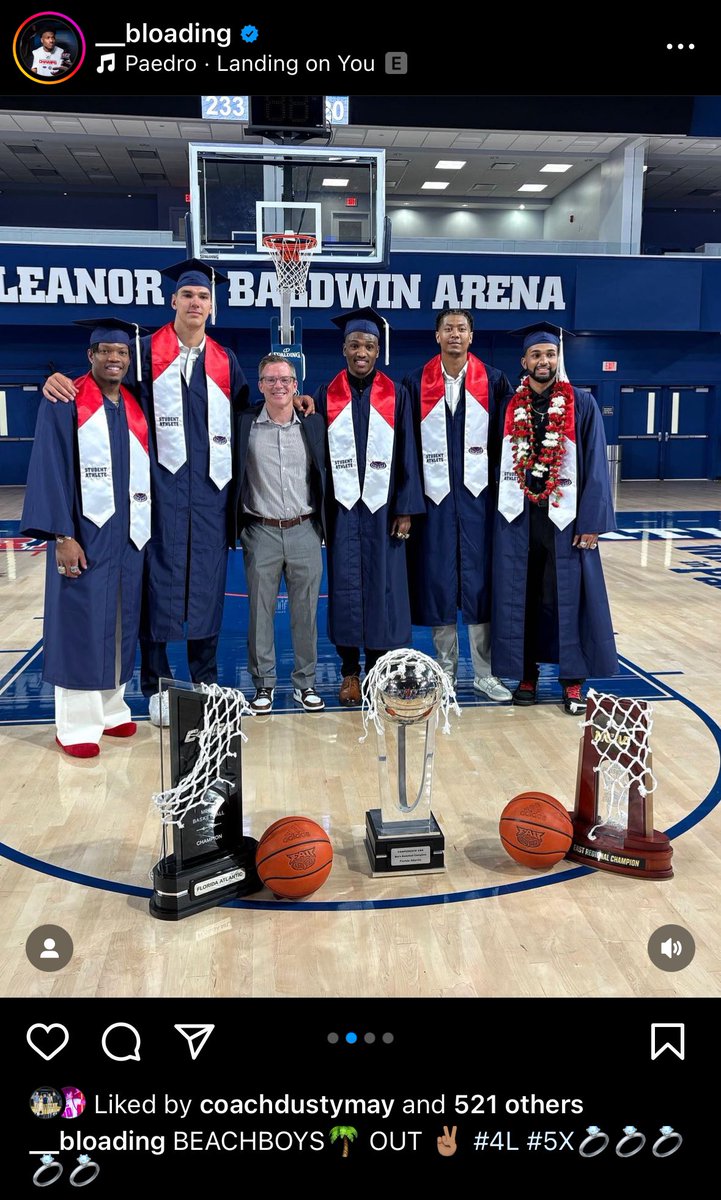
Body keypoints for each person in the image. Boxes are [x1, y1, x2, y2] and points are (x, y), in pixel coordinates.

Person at [43, 258, 251, 727]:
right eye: (188, 295)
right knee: (154, 589)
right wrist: (58, 380)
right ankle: (156, 684)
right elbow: (104, 393)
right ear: (173, 300)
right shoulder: (143, 350)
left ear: (211, 306)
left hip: (209, 500)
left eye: (203, 297)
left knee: (206, 589)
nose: (195, 303)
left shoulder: (226, 361)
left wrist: (292, 399)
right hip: (154, 497)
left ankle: (204, 682)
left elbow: (244, 418)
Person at [22, 319, 151, 757]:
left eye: (121, 353)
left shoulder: (134, 405)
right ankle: (75, 724)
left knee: (119, 621)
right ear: (90, 355)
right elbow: (50, 469)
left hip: (127, 537)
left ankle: (111, 709)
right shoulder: (66, 401)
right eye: (105, 351)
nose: (114, 359)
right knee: (79, 621)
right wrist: (62, 535)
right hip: (84, 534)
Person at [492, 321, 618, 714]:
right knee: (523, 597)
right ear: (524, 361)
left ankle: (572, 683)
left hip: (566, 522)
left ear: (557, 359)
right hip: (520, 520)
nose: (543, 361)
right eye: (536, 355)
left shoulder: (581, 403)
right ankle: (527, 675)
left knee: (567, 599)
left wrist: (592, 522)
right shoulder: (511, 406)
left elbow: (596, 463)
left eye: (549, 354)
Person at [313, 307, 425, 705]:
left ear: (379, 352)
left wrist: (406, 507)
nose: (362, 351)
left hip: (383, 512)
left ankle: (380, 671)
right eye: (355, 344)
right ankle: (349, 673)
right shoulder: (328, 394)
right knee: (344, 589)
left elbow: (410, 452)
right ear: (344, 348)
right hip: (343, 512)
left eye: (370, 346)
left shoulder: (397, 394)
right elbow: (319, 458)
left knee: (384, 589)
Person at [403, 309, 513, 700]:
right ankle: (445, 672)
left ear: (471, 336)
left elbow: (507, 444)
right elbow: (407, 451)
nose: (454, 334)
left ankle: (485, 673)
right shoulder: (415, 383)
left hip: (479, 502)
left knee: (480, 585)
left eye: (461, 329)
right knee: (439, 583)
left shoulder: (495, 382)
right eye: (447, 328)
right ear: (436, 336)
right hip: (434, 504)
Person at [234, 355, 327, 713]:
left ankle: (306, 684)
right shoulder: (244, 424)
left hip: (304, 528)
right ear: (260, 385)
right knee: (260, 614)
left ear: (295, 385)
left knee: (306, 614)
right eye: (270, 380)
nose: (278, 386)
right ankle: (264, 685)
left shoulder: (312, 424)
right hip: (261, 531)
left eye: (285, 380)